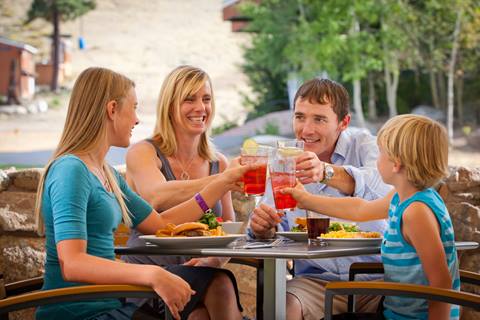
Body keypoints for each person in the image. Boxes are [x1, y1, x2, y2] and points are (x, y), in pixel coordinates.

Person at [34, 67, 252, 320]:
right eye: (134, 107)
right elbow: (72, 264)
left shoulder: (108, 175)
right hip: (83, 313)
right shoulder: (71, 170)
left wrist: (220, 185)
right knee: (217, 286)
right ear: (112, 109)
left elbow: (163, 225)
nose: (137, 120)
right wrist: (153, 274)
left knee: (206, 304)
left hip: (117, 304)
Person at [283, 114, 460, 319]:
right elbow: (360, 210)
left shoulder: (416, 212)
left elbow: (441, 282)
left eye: (381, 152)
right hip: (392, 313)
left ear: (396, 163)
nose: (377, 159)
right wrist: (305, 199)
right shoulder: (401, 198)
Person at [249, 78, 391, 319]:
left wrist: (326, 172)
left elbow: (383, 188)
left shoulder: (364, 144)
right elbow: (273, 226)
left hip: (380, 278)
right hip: (316, 282)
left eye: (319, 119)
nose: (306, 130)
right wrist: (263, 228)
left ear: (343, 123)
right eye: (300, 117)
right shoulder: (285, 163)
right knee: (283, 308)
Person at [124, 65, 234, 268]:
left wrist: (210, 262)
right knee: (220, 287)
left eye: (206, 99)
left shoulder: (218, 163)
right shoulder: (143, 152)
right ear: (169, 106)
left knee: (221, 286)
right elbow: (156, 196)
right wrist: (224, 181)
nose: (201, 107)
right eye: (189, 99)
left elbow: (228, 233)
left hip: (199, 269)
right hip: (146, 273)